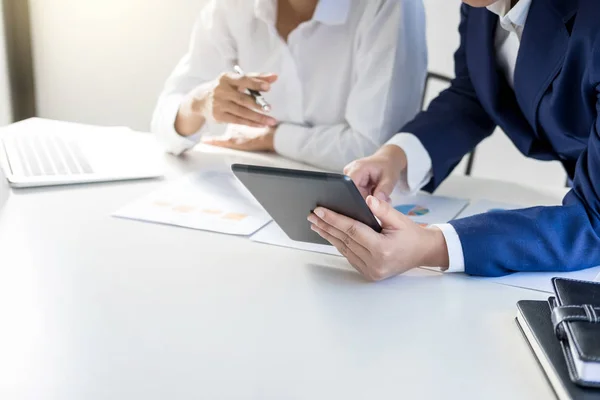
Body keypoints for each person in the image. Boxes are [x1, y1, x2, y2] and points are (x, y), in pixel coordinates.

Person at [308, 0, 600, 279]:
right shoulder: (480, 7)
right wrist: (396, 156)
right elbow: (476, 92)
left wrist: (434, 245)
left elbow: (594, 221)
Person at [151, 0, 427, 171]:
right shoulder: (233, 6)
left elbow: (372, 150)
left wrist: (272, 138)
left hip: (356, 199)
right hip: (253, 181)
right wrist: (198, 102)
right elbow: (164, 120)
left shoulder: (388, 4)